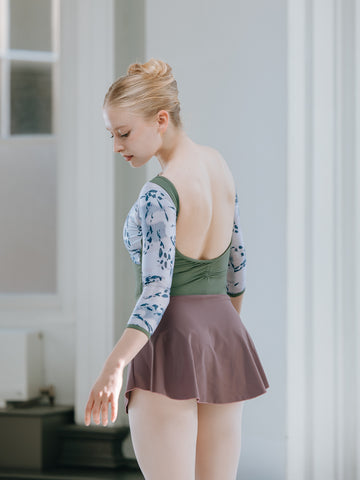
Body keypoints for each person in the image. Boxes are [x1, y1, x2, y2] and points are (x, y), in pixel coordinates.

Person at [84, 57, 269, 480]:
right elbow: (237, 267)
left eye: (124, 133)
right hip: (225, 335)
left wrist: (113, 367)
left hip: (169, 339)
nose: (117, 145)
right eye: (112, 135)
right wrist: (219, 336)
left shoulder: (158, 193)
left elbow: (156, 295)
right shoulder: (218, 165)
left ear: (161, 119)